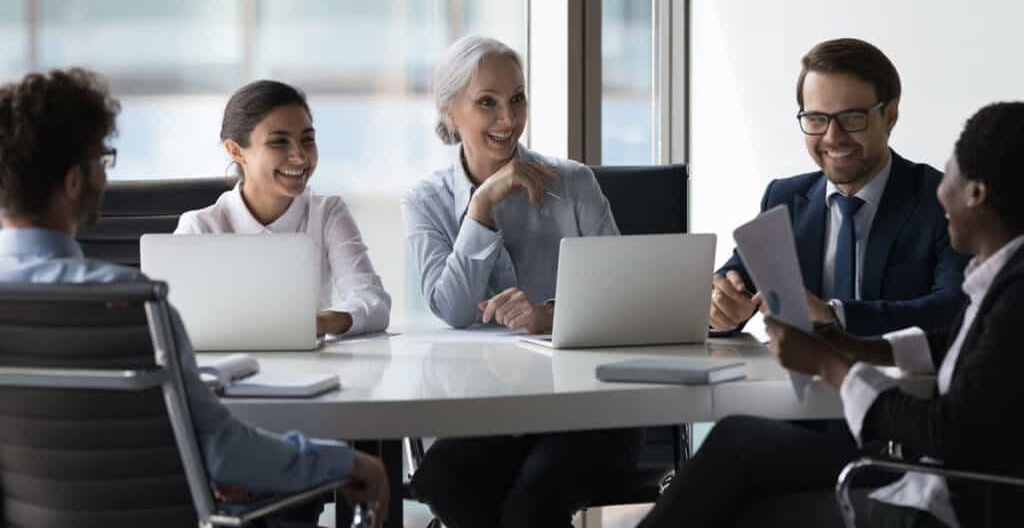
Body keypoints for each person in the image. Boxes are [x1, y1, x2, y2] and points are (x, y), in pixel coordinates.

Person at [0, 69, 390, 526]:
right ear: (73, 183)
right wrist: (345, 463)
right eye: (104, 161)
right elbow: (222, 450)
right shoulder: (134, 306)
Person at [639, 101, 1024, 528]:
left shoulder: (1015, 295)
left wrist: (831, 364)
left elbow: (948, 432)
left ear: (976, 193)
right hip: (935, 476)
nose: (941, 191)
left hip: (947, 499)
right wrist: (854, 345)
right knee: (735, 447)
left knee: (735, 493)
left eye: (951, 174)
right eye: (816, 118)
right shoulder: (1006, 277)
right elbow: (960, 342)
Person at [400, 36, 642, 528]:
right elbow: (453, 308)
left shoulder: (572, 183)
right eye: (486, 102)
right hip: (490, 413)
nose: (508, 119)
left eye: (517, 99)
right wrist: (482, 206)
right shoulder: (425, 200)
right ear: (450, 111)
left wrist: (548, 315)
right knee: (444, 478)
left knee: (531, 504)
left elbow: (623, 297)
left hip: (588, 410)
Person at [711, 38, 968, 337]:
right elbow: (735, 283)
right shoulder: (784, 199)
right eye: (817, 119)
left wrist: (836, 315)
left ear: (890, 116)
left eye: (852, 118)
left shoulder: (942, 199)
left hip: (907, 380)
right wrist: (721, 306)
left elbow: (955, 309)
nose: (833, 137)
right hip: (798, 380)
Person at [176, 80, 391, 338]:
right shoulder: (200, 228)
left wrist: (317, 323)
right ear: (236, 151)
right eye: (279, 142)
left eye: (307, 139)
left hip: (310, 367)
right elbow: (174, 322)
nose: (300, 157)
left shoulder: (326, 213)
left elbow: (373, 303)